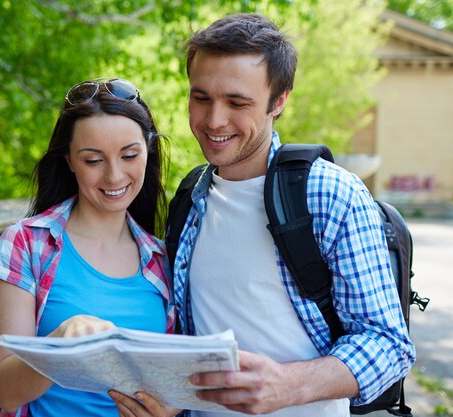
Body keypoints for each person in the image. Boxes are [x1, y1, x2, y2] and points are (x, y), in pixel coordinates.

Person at [112, 13, 415, 417]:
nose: (214, 120)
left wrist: (289, 386)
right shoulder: (190, 197)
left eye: (237, 102)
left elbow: (389, 346)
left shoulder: (331, 194)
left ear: (280, 100)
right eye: (201, 98)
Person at [0, 78, 177, 417]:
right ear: (69, 161)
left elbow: (175, 388)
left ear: (148, 151)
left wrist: (168, 409)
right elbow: (3, 391)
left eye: (129, 155)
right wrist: (58, 345)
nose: (115, 176)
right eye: (93, 160)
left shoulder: (163, 260)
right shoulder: (27, 245)